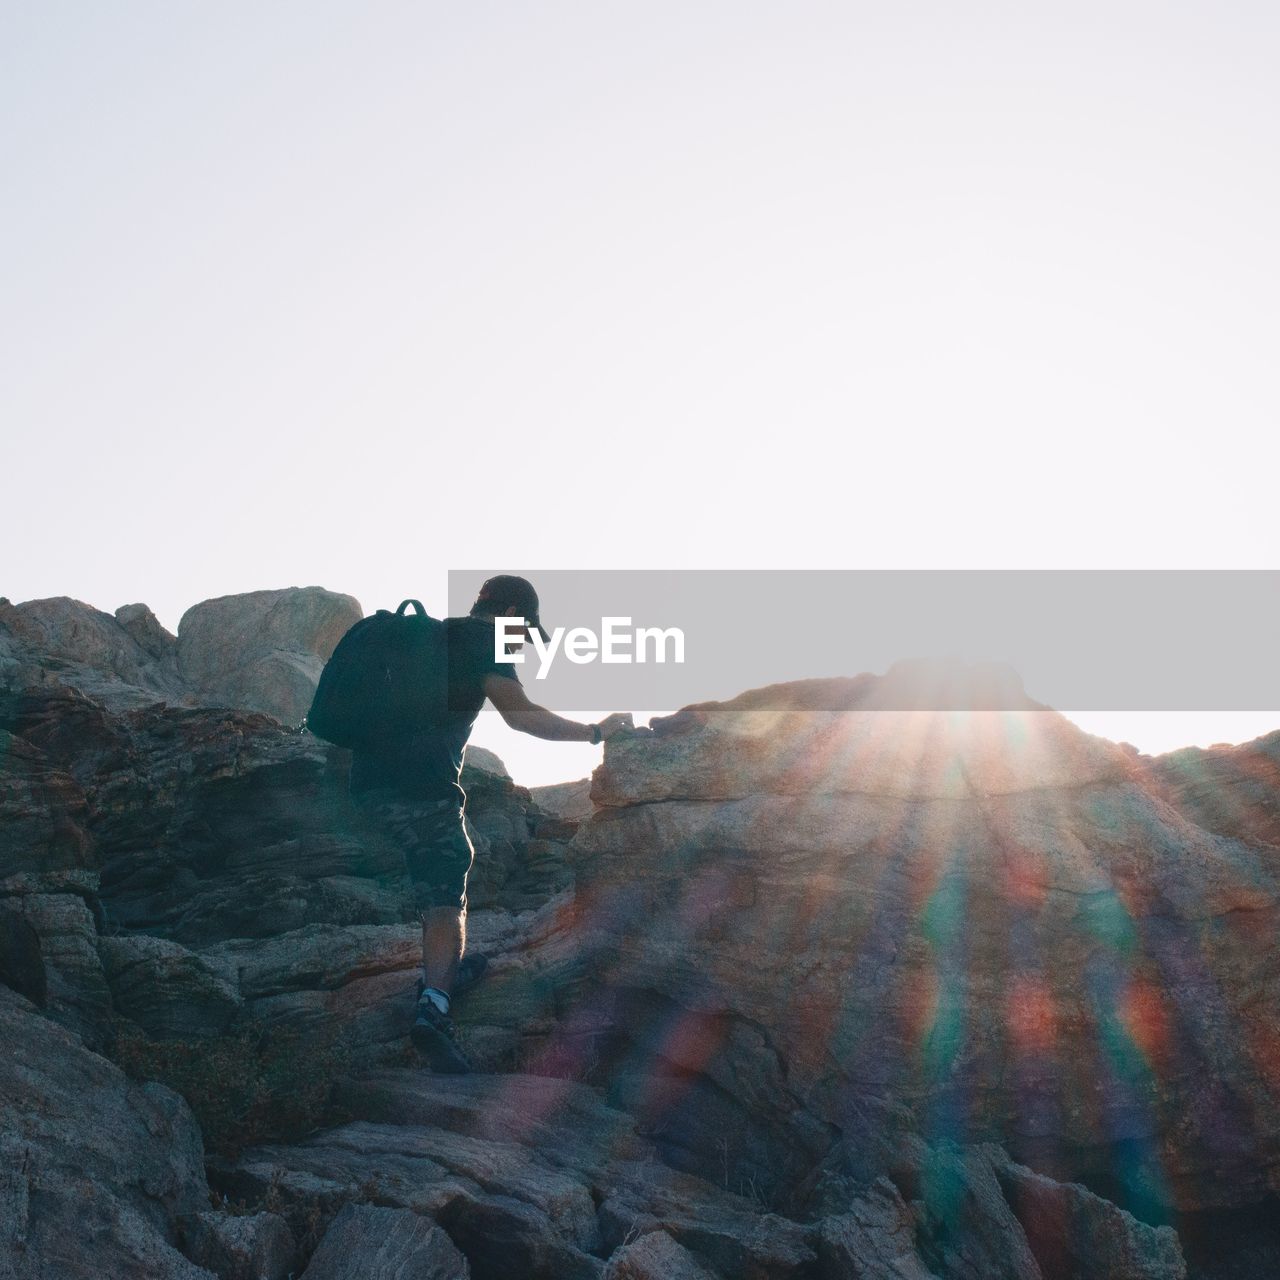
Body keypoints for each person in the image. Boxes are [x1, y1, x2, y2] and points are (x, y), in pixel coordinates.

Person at [349, 575, 633, 1072]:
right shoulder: (486, 644)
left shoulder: (435, 635)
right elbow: (521, 717)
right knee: (446, 886)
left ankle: (444, 969)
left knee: (438, 869)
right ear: (509, 615)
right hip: (421, 786)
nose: (524, 640)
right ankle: (435, 1005)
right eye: (525, 629)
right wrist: (595, 732)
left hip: (366, 779)